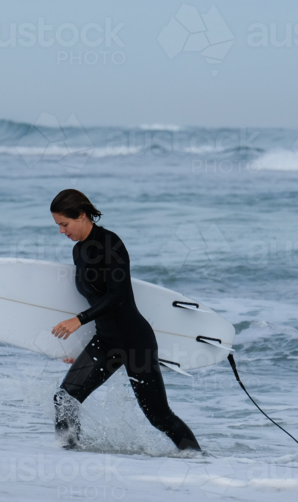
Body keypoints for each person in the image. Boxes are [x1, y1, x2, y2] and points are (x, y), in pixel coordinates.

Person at [49, 189, 201, 451]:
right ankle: (69, 458)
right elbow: (94, 299)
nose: (62, 231)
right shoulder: (78, 251)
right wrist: (80, 348)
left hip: (134, 341)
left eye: (64, 224)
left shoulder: (111, 244)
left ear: (82, 216)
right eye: (59, 226)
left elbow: (116, 295)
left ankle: (198, 459)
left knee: (158, 416)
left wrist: (78, 320)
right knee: (65, 399)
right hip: (105, 341)